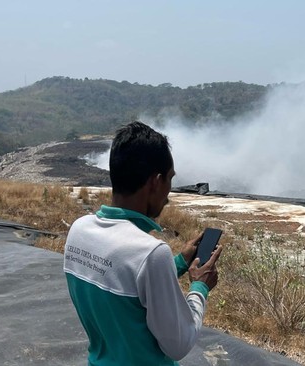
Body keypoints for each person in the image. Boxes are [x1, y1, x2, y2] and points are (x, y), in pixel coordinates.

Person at [63, 121, 221, 365]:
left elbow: (126, 279)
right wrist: (200, 288)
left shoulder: (78, 230)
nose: (168, 194)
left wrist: (178, 262)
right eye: (169, 179)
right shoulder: (150, 253)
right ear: (155, 183)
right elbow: (179, 344)